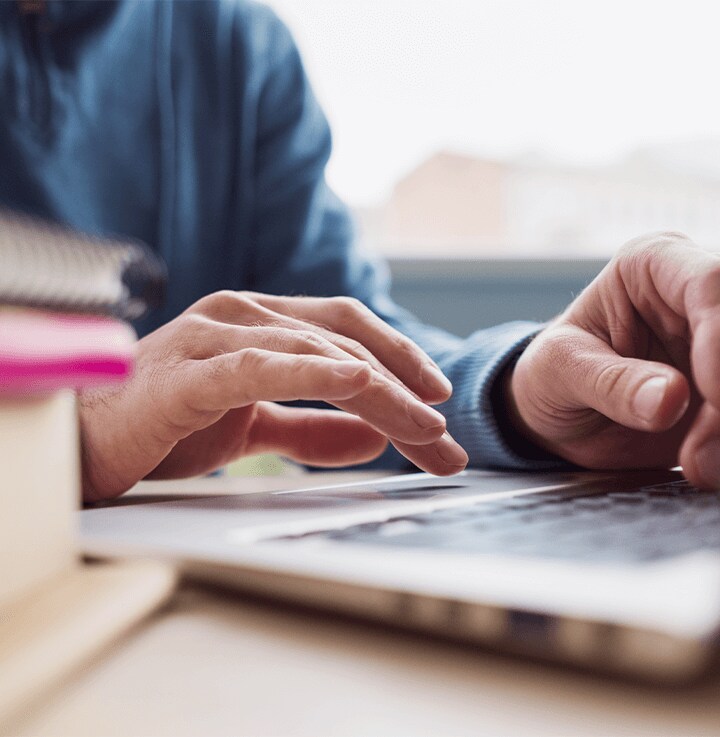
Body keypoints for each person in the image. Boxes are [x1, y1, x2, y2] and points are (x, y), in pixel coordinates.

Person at [1, 0, 718, 500]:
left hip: (163, 606)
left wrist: (517, 393)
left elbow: (340, 346)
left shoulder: (235, 45)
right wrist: (62, 440)